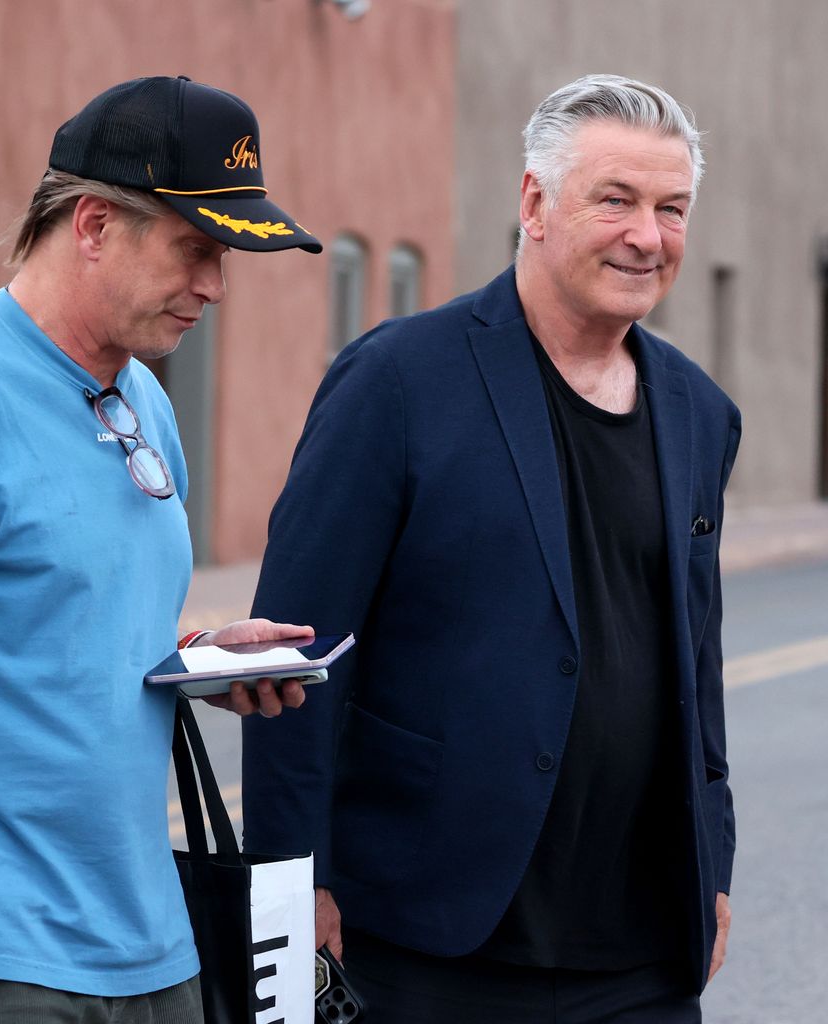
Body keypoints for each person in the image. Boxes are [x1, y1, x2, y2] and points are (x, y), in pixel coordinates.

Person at [242, 74, 739, 1023]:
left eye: (672, 209)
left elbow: (698, 661)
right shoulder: (397, 380)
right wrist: (291, 883)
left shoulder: (698, 411)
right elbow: (293, 653)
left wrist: (712, 864)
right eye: (618, 200)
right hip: (427, 940)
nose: (648, 234)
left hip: (640, 952)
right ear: (534, 203)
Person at [0, 76, 321, 1023]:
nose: (214, 286)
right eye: (195, 249)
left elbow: (61, 630)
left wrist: (201, 660)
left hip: (152, 943)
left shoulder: (146, 401)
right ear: (92, 224)